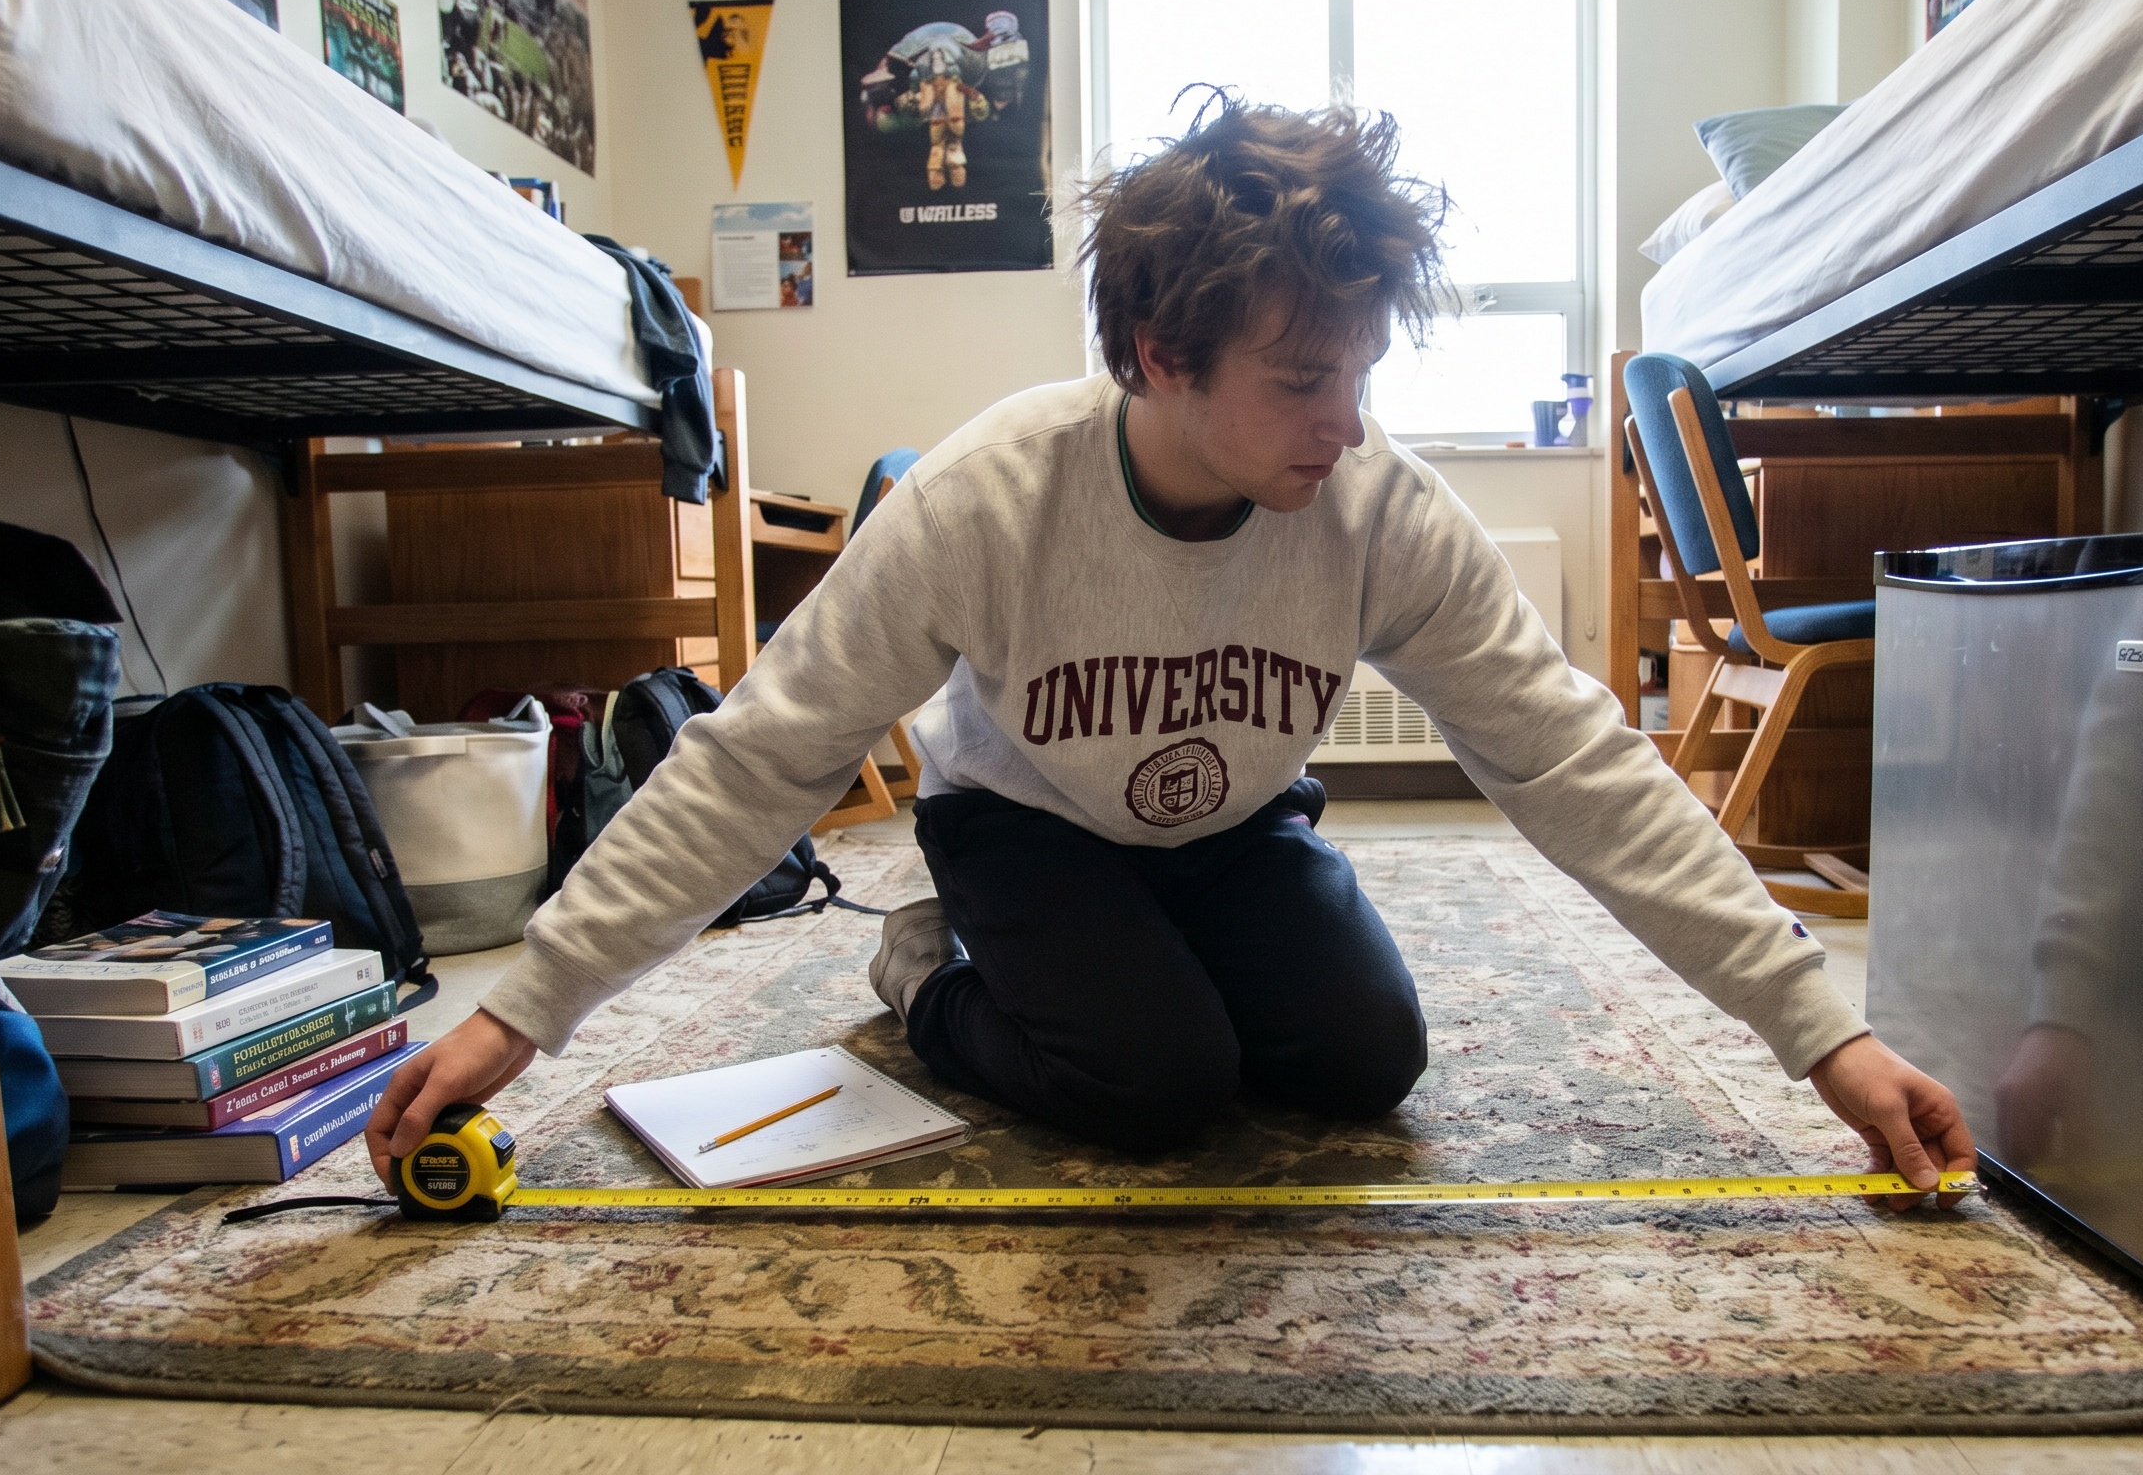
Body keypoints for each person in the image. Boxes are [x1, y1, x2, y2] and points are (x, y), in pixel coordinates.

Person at [367, 98, 1977, 1207]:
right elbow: (758, 759)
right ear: (1158, 354)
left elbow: (1570, 760)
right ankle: (924, 968)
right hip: (1024, 827)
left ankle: (1146, 964)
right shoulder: (987, 500)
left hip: (1234, 825)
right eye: (1301, 381)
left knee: (1365, 1061)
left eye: (1363, 373)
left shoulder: (1379, 509)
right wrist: (526, 1012)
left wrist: (1820, 1034)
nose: (1347, 426)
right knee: (1155, 1087)